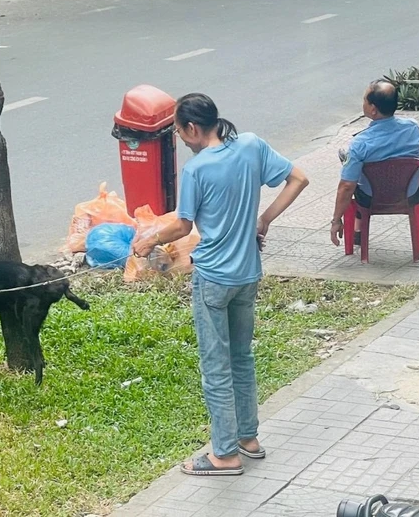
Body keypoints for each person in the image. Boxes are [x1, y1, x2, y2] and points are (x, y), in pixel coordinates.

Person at [132, 94, 309, 476]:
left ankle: (225, 455)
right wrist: (264, 219)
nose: (180, 139)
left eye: (179, 131)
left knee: (216, 365)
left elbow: (183, 226)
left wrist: (149, 240)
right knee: (241, 357)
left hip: (213, 278)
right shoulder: (251, 145)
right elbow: (299, 178)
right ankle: (248, 438)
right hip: (248, 274)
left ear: (192, 128)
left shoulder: (197, 169)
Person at [330, 81, 419, 247]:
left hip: (371, 197)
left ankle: (358, 227)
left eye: (364, 100)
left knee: (354, 173)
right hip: (409, 193)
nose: (363, 103)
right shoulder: (413, 128)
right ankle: (358, 228)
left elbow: (347, 186)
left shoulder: (360, 143)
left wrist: (336, 220)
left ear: (373, 109)